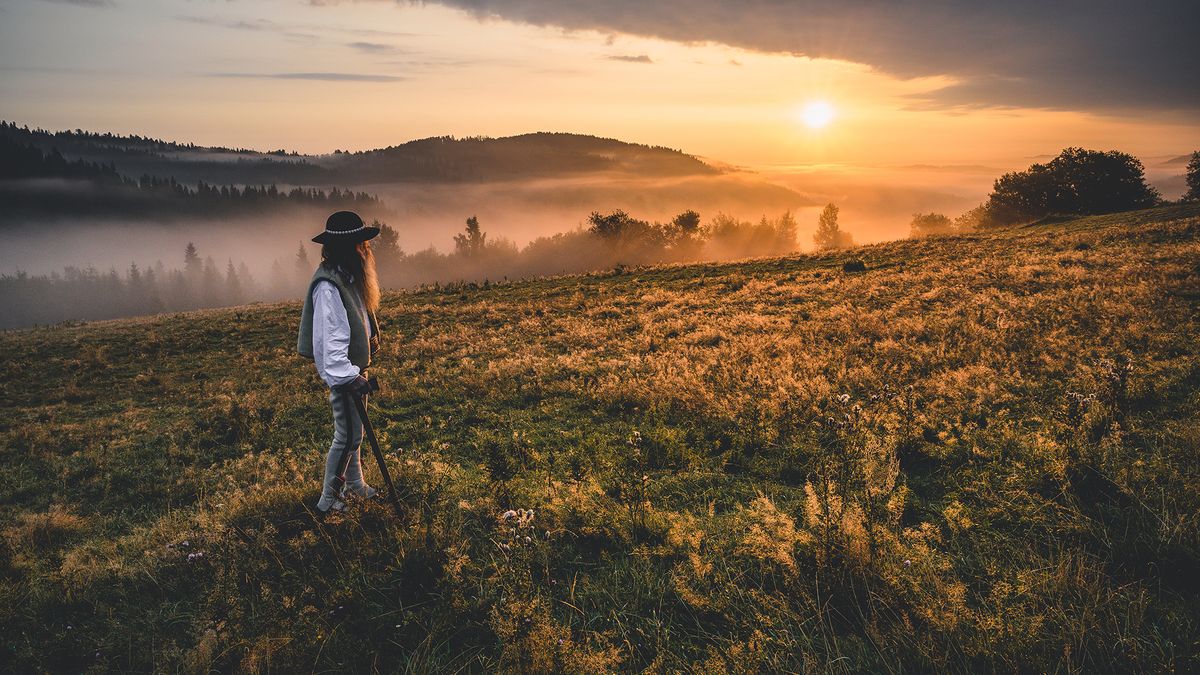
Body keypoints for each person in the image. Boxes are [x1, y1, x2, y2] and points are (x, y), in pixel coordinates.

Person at [297, 211, 383, 513]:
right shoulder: (328, 287)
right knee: (346, 436)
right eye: (362, 245)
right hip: (345, 375)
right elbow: (331, 344)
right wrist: (349, 376)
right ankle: (329, 500)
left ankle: (355, 486)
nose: (367, 250)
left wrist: (371, 336)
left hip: (356, 370)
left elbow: (358, 316)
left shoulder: (348, 278)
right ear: (349, 249)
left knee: (354, 433)